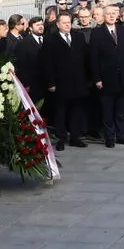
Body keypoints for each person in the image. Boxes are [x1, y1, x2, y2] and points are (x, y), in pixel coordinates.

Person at [41, 11, 91, 149]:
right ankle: (61, 138)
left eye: (69, 22)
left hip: (78, 81)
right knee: (61, 111)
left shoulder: (78, 36)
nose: (68, 25)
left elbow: (86, 58)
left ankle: (75, 137)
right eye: (64, 23)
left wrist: (88, 78)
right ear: (58, 24)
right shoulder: (50, 40)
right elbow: (47, 63)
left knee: (76, 110)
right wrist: (50, 82)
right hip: (60, 83)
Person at [89, 7, 124, 146]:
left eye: (114, 14)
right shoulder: (97, 33)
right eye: (108, 14)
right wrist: (97, 78)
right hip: (106, 79)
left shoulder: (123, 30)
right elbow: (93, 58)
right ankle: (110, 137)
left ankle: (121, 135)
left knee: (121, 110)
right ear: (103, 16)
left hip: (123, 77)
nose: (111, 16)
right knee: (108, 110)